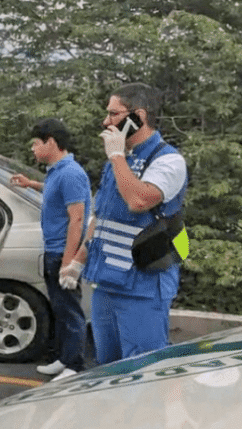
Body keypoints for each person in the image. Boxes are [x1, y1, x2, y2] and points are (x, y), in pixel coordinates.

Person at [61, 83, 188, 364]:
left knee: (142, 370)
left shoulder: (168, 160)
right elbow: (102, 216)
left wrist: (117, 157)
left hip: (142, 286)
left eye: (113, 114)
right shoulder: (116, 161)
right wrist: (78, 261)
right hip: (107, 282)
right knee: (108, 367)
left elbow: (138, 201)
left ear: (138, 116)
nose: (106, 122)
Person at [10, 119, 91, 380]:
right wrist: (31, 184)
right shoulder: (57, 171)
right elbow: (56, 192)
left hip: (62, 252)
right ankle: (63, 358)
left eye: (36, 143)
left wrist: (69, 262)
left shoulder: (71, 173)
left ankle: (75, 365)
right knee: (60, 309)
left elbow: (77, 218)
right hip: (53, 250)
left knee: (70, 310)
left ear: (51, 142)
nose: (33, 149)